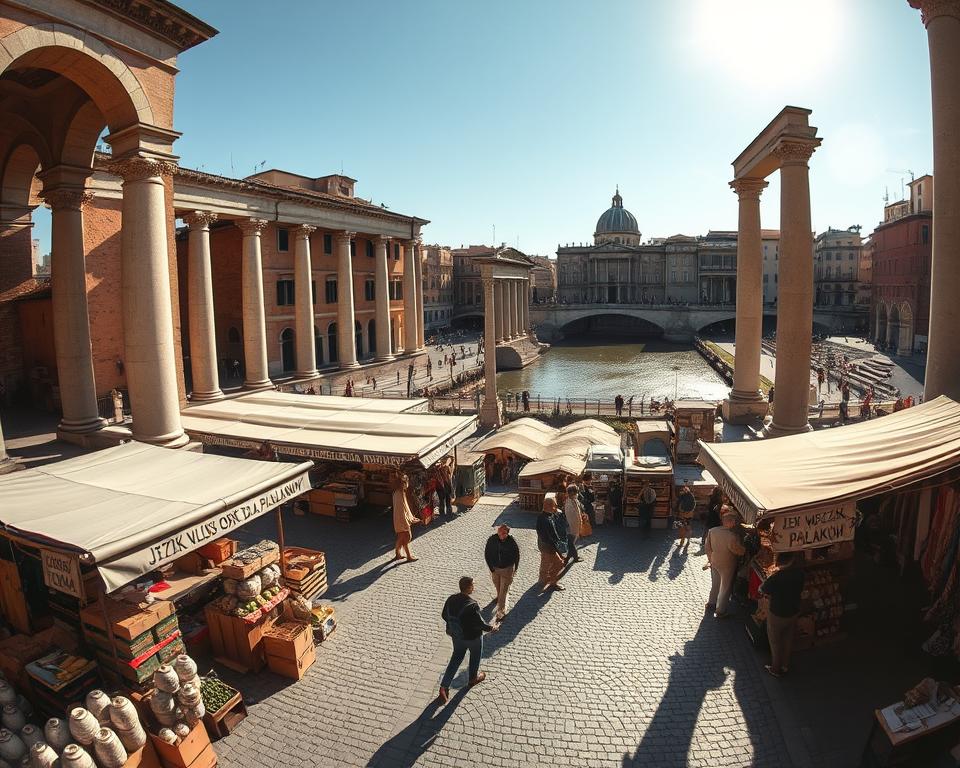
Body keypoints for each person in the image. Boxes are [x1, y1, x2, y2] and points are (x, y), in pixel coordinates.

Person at [437, 576, 499, 703]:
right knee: (476, 656)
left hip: (457, 636)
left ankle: (444, 687)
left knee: (456, 658)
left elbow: (444, 615)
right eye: (473, 585)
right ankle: (473, 678)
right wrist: (492, 628)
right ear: (469, 587)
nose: (474, 587)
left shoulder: (451, 599)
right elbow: (480, 624)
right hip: (473, 638)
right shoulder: (472, 605)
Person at [759, 551, 805, 678]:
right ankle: (785, 665)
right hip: (794, 610)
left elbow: (762, 589)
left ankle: (775, 668)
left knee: (775, 641)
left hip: (778, 612)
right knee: (788, 638)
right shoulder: (800, 574)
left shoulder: (776, 577)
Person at [704, 508, 746, 618]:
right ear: (732, 522)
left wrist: (710, 559)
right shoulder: (732, 536)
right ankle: (720, 610)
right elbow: (737, 551)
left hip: (715, 561)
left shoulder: (712, 531)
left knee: (715, 584)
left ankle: (711, 603)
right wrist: (744, 549)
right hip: (727, 564)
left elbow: (707, 547)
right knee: (725, 587)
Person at [484, 524, 520, 620]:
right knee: (497, 586)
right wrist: (491, 568)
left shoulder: (511, 542)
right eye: (499, 532)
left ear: (507, 533)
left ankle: (501, 612)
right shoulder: (492, 540)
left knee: (503, 590)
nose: (501, 534)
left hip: (507, 570)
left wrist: (515, 568)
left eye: (504, 533)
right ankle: (498, 597)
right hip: (495, 569)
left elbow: (517, 555)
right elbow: (487, 553)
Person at [536, 496, 566, 591]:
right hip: (548, 547)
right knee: (559, 563)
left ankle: (543, 581)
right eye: (554, 505)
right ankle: (552, 582)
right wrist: (558, 551)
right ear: (550, 506)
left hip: (544, 546)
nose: (556, 507)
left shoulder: (542, 516)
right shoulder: (547, 519)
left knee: (545, 564)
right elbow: (549, 538)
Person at [391, 474, 419, 562]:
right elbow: (401, 510)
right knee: (407, 537)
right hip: (401, 519)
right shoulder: (399, 494)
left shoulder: (398, 492)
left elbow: (404, 508)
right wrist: (408, 520)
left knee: (401, 537)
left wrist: (411, 518)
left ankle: (398, 554)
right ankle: (409, 556)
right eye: (407, 482)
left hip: (400, 519)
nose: (408, 484)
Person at [563, 484, 583, 565]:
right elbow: (572, 516)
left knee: (571, 543)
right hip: (572, 526)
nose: (577, 494)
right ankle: (573, 558)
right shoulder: (570, 503)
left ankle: (569, 558)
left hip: (574, 526)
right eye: (576, 492)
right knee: (571, 543)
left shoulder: (574, 500)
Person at [676, 484, 696, 551]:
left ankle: (684, 541)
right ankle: (686, 540)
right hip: (686, 514)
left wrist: (686, 511)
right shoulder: (690, 496)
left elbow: (692, 505)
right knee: (685, 527)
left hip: (685, 514)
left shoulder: (686, 496)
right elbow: (693, 505)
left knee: (684, 527)